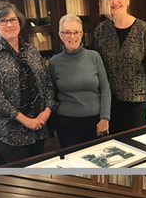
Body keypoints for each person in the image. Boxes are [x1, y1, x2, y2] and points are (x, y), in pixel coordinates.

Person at [0, 3, 56, 165]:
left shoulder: (32, 51)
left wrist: (47, 111)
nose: (9, 24)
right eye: (3, 21)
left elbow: (47, 83)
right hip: (10, 132)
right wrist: (26, 120)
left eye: (13, 19)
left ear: (20, 22)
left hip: (39, 128)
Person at [91, 0, 146, 133]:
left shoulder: (144, 30)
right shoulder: (100, 31)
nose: (115, 2)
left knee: (137, 146)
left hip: (137, 104)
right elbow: (94, 66)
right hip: (109, 104)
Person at [48, 14, 111, 148]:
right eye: (67, 32)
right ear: (60, 35)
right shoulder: (54, 62)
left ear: (81, 34)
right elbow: (52, 94)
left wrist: (104, 118)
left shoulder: (94, 57)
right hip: (66, 124)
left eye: (75, 32)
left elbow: (105, 89)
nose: (72, 36)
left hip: (95, 122)